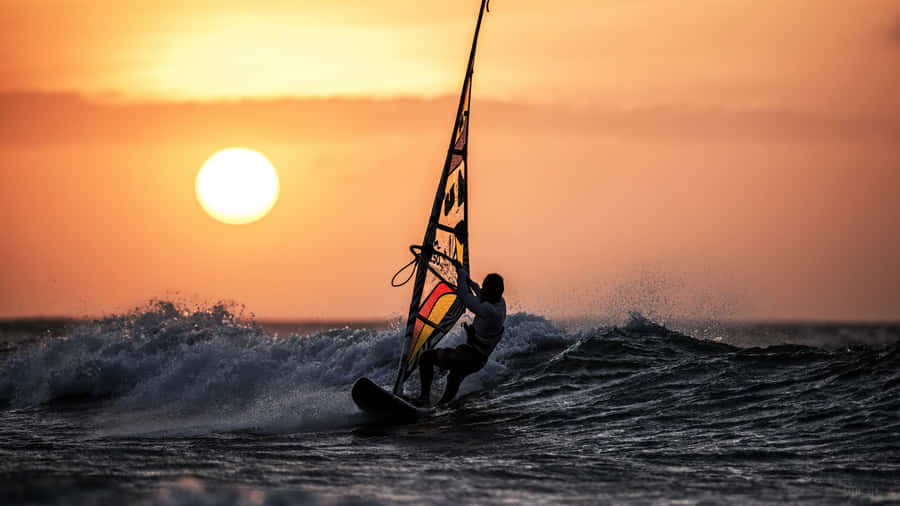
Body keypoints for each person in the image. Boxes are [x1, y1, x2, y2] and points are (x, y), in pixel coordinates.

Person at [418, 265, 506, 406]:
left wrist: (460, 273)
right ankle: (438, 409)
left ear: (494, 291)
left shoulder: (490, 310)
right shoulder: (500, 302)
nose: (482, 290)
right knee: (453, 377)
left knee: (425, 357)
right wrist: (470, 282)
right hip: (476, 360)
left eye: (485, 288)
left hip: (468, 358)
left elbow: (465, 297)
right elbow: (481, 295)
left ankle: (423, 399)